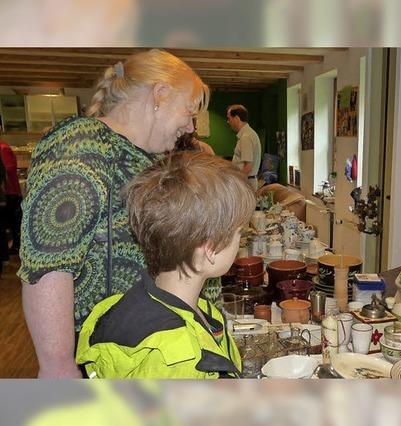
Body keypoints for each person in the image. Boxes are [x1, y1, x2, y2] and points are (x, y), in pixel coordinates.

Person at [18, 49, 209, 378]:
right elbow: (48, 262)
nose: (190, 125)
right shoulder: (81, 144)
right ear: (160, 95)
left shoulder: (142, 157)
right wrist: (58, 364)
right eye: (189, 112)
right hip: (101, 357)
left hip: (138, 352)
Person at [76, 152, 253, 378]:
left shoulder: (126, 305)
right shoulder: (178, 358)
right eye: (240, 233)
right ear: (211, 248)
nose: (241, 242)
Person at [226, 104, 262, 190]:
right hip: (246, 181)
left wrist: (236, 181)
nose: (228, 121)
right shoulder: (247, 134)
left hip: (246, 182)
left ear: (237, 119)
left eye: (229, 118)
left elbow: (248, 167)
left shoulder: (246, 137)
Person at [0, 138, 22, 254]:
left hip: (9, 192)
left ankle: (15, 247)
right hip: (9, 192)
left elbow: (8, 170)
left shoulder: (3, 148)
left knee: (11, 223)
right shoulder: (4, 147)